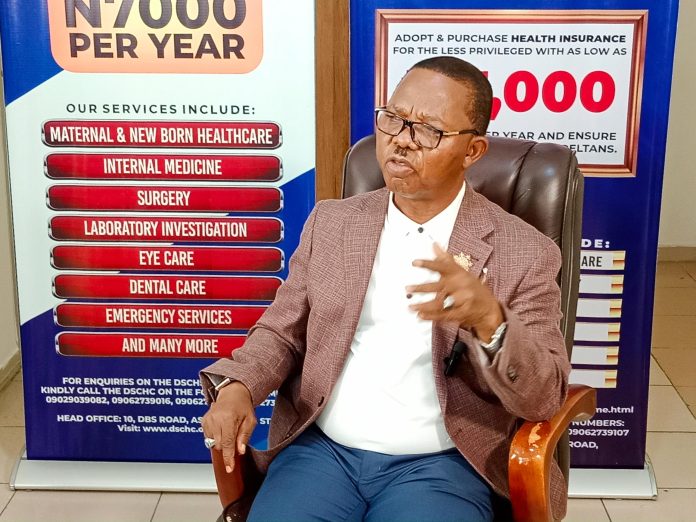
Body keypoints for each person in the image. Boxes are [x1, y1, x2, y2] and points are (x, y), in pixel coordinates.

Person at [200, 56, 570, 522]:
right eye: (393, 119)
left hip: (441, 464)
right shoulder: (332, 223)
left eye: (428, 130)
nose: (401, 140)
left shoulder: (525, 252)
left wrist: (491, 323)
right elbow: (281, 333)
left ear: (473, 150)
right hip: (322, 452)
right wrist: (238, 385)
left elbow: (543, 397)